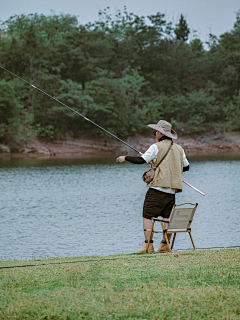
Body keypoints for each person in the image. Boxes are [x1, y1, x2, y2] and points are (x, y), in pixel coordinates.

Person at [116, 120, 189, 253]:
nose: (155, 134)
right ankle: (165, 245)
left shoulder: (156, 147)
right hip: (171, 192)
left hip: (157, 189)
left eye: (155, 131)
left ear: (160, 133)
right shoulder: (179, 149)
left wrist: (125, 157)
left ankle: (148, 245)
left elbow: (142, 160)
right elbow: (186, 167)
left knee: (147, 215)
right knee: (167, 217)